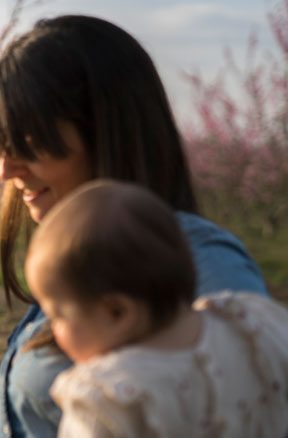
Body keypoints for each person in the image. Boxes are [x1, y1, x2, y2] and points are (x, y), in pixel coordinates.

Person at [0, 14, 269, 437]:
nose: (5, 170)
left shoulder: (203, 268)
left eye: (27, 144)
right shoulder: (89, 248)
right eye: (2, 146)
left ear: (107, 132)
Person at [23, 179, 288, 438]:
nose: (53, 330)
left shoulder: (109, 397)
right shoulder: (251, 319)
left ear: (117, 313)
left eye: (58, 316)